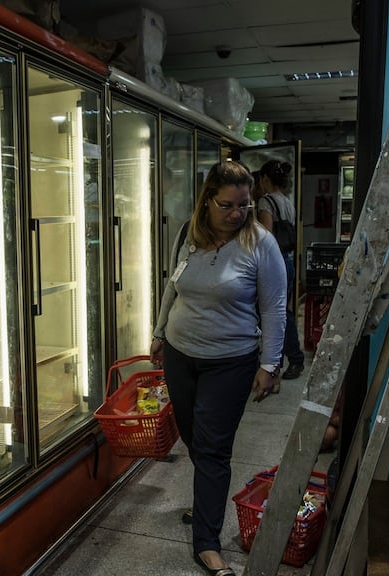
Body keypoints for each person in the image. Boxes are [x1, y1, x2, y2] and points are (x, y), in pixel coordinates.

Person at [149, 160, 286, 576]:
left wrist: (270, 362)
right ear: (208, 201)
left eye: (244, 205)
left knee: (212, 448)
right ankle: (207, 502)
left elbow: (275, 307)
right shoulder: (188, 235)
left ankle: (206, 542)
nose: (237, 213)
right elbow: (173, 284)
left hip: (230, 362)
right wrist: (158, 332)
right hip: (179, 353)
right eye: (227, 205)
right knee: (194, 439)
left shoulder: (260, 243)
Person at [254, 159, 305, 382]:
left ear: (265, 179)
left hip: (275, 262)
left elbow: (266, 237)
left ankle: (287, 360)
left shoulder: (266, 202)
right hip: (288, 261)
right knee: (283, 312)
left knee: (276, 313)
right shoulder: (286, 201)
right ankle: (288, 360)